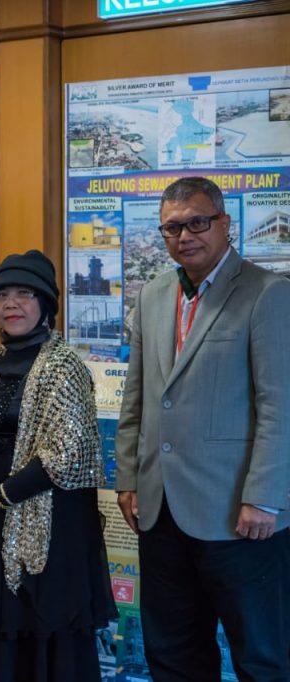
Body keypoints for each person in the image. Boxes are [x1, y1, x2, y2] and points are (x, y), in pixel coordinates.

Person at [116, 176, 290, 682]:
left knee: (261, 657)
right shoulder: (152, 295)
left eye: (197, 222)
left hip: (240, 515)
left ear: (224, 223)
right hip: (161, 510)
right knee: (172, 654)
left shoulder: (268, 293)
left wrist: (264, 496)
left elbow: (280, 406)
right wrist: (129, 478)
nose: (185, 235)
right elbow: (138, 398)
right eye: (172, 227)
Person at [0, 249, 115, 681]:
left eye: (24, 293)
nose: (10, 304)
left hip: (41, 526)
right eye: (1, 295)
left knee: (34, 636)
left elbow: (67, 453)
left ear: (46, 303)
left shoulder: (64, 365)